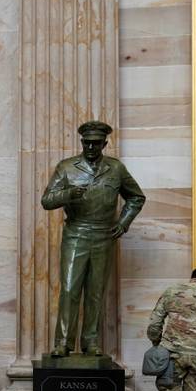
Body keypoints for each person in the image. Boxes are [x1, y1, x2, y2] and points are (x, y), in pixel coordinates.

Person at [41, 120, 145, 356]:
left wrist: (123, 223)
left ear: (104, 143)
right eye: (87, 143)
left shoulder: (115, 168)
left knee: (96, 291)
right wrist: (68, 194)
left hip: (103, 235)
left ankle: (91, 341)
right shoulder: (67, 167)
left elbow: (136, 197)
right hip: (76, 233)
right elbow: (47, 200)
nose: (90, 147)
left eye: (96, 143)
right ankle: (63, 342)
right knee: (70, 288)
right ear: (81, 142)